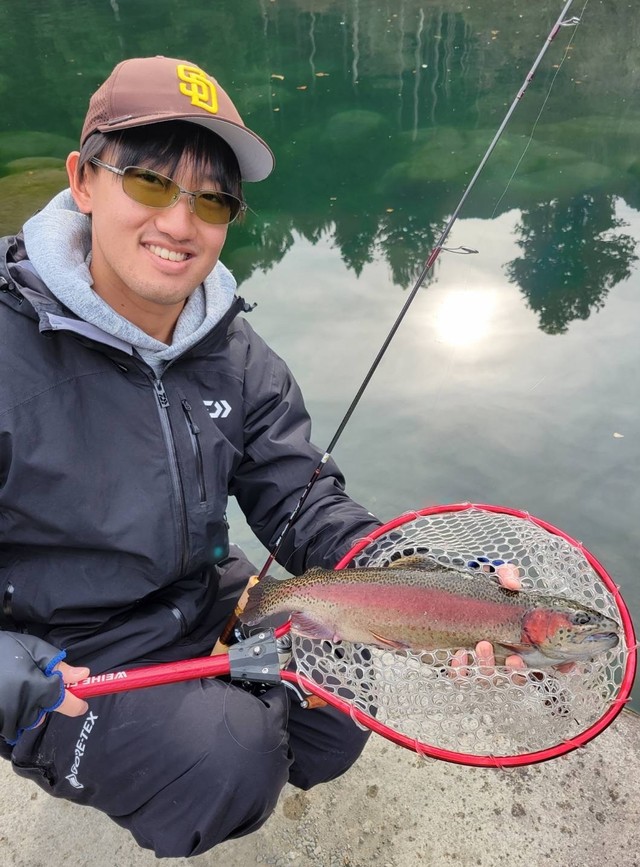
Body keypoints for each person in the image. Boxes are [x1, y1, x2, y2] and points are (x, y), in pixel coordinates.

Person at [0, 56, 521, 857]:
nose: (181, 223)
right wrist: (11, 674)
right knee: (228, 760)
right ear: (84, 180)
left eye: (212, 199)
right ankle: (179, 754)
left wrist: (414, 577)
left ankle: (227, 724)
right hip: (65, 648)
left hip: (204, 592)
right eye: (150, 183)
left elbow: (301, 499)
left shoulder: (235, 351)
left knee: (336, 714)